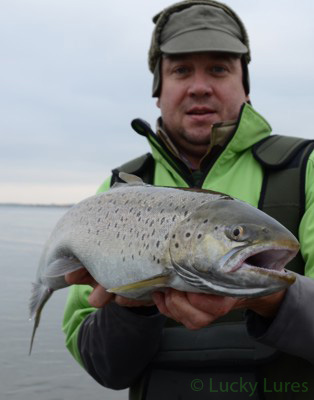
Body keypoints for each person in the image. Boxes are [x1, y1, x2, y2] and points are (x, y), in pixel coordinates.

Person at [62, 1, 314, 399]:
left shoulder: (309, 168)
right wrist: (132, 306)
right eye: (180, 70)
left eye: (218, 68)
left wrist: (270, 298)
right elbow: (103, 368)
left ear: (244, 85)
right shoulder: (117, 193)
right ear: (158, 91)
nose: (200, 85)